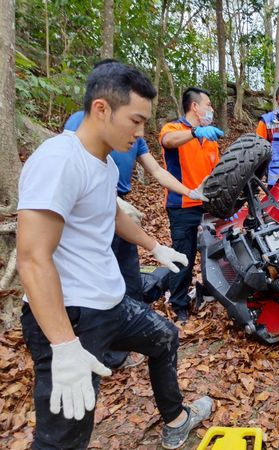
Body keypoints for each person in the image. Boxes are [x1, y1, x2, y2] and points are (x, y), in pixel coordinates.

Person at [17, 62, 213, 450]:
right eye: (136, 121)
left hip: (110, 304)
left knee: (164, 338)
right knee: (64, 439)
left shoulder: (103, 162)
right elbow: (32, 258)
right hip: (70, 318)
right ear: (102, 109)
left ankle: (175, 421)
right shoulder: (60, 160)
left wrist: (154, 246)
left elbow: (112, 212)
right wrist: (64, 345)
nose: (141, 133)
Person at [63, 60, 206, 368]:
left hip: (119, 208)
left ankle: (125, 344)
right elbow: (77, 164)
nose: (140, 130)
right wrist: (108, 199)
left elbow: (155, 170)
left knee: (128, 279)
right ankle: (100, 352)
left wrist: (187, 191)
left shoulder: (134, 137)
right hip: (94, 210)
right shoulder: (77, 126)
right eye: (136, 119)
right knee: (99, 280)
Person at [159, 87, 223, 323]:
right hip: (182, 204)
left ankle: (211, 291)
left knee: (214, 251)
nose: (211, 109)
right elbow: (168, 141)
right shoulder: (174, 128)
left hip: (209, 204)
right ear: (194, 106)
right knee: (183, 255)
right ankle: (179, 305)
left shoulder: (209, 137)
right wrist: (195, 132)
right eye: (208, 104)